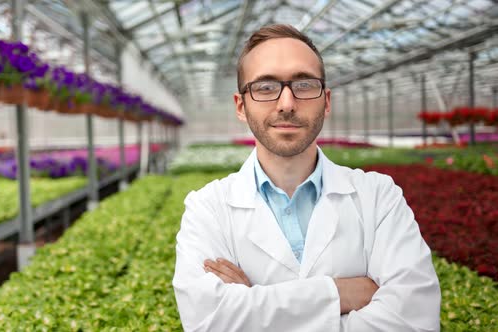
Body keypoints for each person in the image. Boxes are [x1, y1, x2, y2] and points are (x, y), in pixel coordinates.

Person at [172, 24, 441, 331]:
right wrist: (339, 293)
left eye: (304, 85)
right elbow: (208, 322)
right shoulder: (207, 208)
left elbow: (414, 321)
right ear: (240, 106)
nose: (286, 103)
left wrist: (253, 304)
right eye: (265, 87)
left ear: (326, 101)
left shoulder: (379, 197)